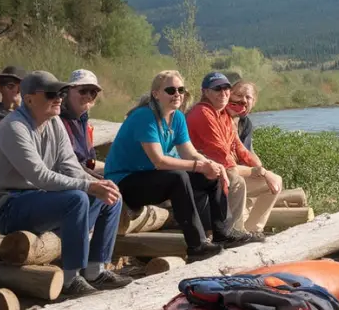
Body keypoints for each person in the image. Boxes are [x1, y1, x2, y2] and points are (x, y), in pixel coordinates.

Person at [0, 71, 133, 298]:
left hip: (40, 200)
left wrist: (97, 183)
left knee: (110, 195)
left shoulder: (54, 121)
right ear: (29, 99)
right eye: (51, 94)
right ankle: (70, 279)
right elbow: (40, 176)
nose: (58, 98)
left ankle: (95, 271)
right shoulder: (14, 127)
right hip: (8, 207)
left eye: (61, 92)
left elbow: (69, 165)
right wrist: (87, 187)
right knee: (76, 198)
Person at [103, 70, 247, 262]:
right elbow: (159, 161)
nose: (177, 94)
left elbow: (189, 151)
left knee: (211, 174)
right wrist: (199, 166)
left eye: (181, 90)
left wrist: (211, 164)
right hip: (124, 182)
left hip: (151, 177)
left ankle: (223, 233)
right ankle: (197, 245)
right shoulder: (144, 116)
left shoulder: (177, 117)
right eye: (170, 90)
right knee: (179, 177)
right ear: (156, 94)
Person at [186, 73, 280, 238]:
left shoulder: (224, 115)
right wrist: (261, 172)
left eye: (226, 88)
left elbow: (241, 148)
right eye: (217, 88)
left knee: (274, 181)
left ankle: (251, 230)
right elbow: (223, 157)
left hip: (223, 169)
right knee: (236, 181)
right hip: (201, 173)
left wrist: (262, 169)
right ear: (206, 92)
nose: (223, 92)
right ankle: (234, 233)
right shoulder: (203, 113)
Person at [60, 69, 105, 179]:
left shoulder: (83, 120)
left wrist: (107, 167)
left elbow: (88, 161)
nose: (89, 96)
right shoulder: (59, 121)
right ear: (68, 92)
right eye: (83, 91)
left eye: (93, 93)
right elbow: (68, 164)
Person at [226, 80, 257, 151]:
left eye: (248, 97)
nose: (244, 100)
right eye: (239, 95)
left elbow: (248, 152)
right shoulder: (216, 116)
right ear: (229, 97)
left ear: (253, 102)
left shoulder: (246, 123)